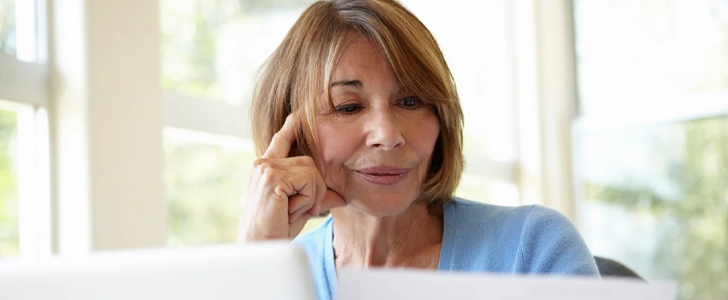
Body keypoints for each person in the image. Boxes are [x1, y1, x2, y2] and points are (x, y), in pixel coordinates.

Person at [237, 0, 600, 299]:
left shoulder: (532, 248)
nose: (388, 135)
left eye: (411, 101)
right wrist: (256, 263)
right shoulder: (274, 275)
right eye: (348, 107)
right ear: (293, 132)